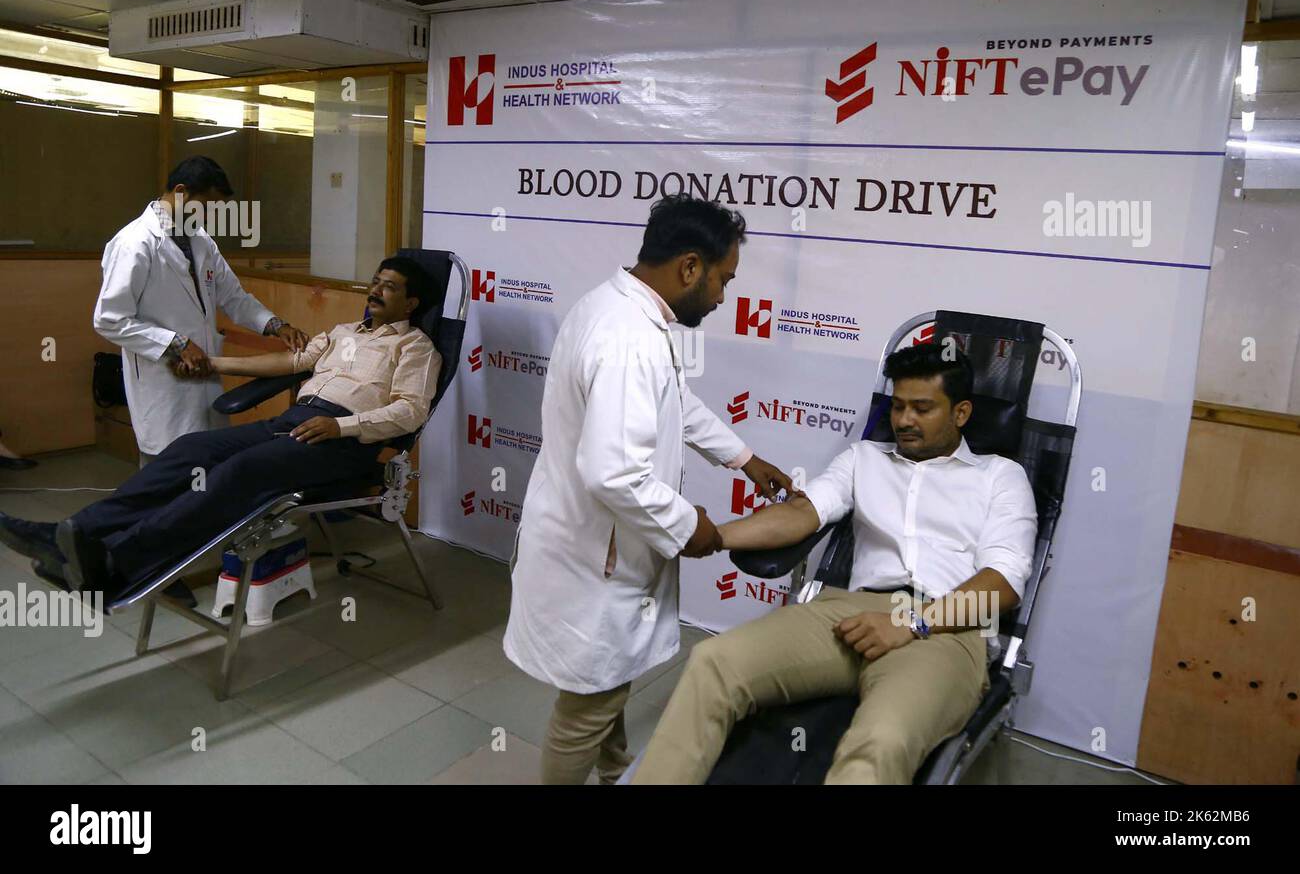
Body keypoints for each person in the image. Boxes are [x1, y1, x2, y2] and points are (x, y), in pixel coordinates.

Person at [632, 342, 1038, 784]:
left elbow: (1003, 583)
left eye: (922, 408)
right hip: (850, 611)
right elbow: (802, 514)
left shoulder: (1000, 477)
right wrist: (713, 536)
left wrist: (912, 623)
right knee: (713, 662)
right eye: (899, 406)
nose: (904, 420)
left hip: (943, 628)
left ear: (960, 413)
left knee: (880, 739)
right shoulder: (864, 458)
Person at [504, 194, 795, 785]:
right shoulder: (628, 337)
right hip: (597, 559)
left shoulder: (616, 308)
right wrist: (694, 528)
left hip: (586, 542)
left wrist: (744, 458)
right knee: (585, 711)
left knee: (603, 688)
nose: (722, 297)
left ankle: (615, 777)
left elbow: (673, 404)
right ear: (690, 266)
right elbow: (614, 473)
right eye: (721, 280)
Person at [0, 257, 440, 601]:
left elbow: (410, 411)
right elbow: (292, 363)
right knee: (189, 451)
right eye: (376, 281)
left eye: (390, 287)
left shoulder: (416, 347)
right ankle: (72, 534)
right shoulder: (345, 331)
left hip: (342, 442)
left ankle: (118, 560)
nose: (376, 290)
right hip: (293, 422)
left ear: (411, 303)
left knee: (238, 473)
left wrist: (342, 426)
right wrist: (214, 364)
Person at [93, 156, 310, 465]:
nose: (209, 216)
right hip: (163, 379)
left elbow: (234, 296)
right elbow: (109, 320)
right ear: (181, 191)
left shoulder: (200, 241)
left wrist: (276, 325)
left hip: (204, 374)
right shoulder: (135, 243)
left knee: (205, 462)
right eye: (206, 207)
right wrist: (176, 343)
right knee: (164, 470)